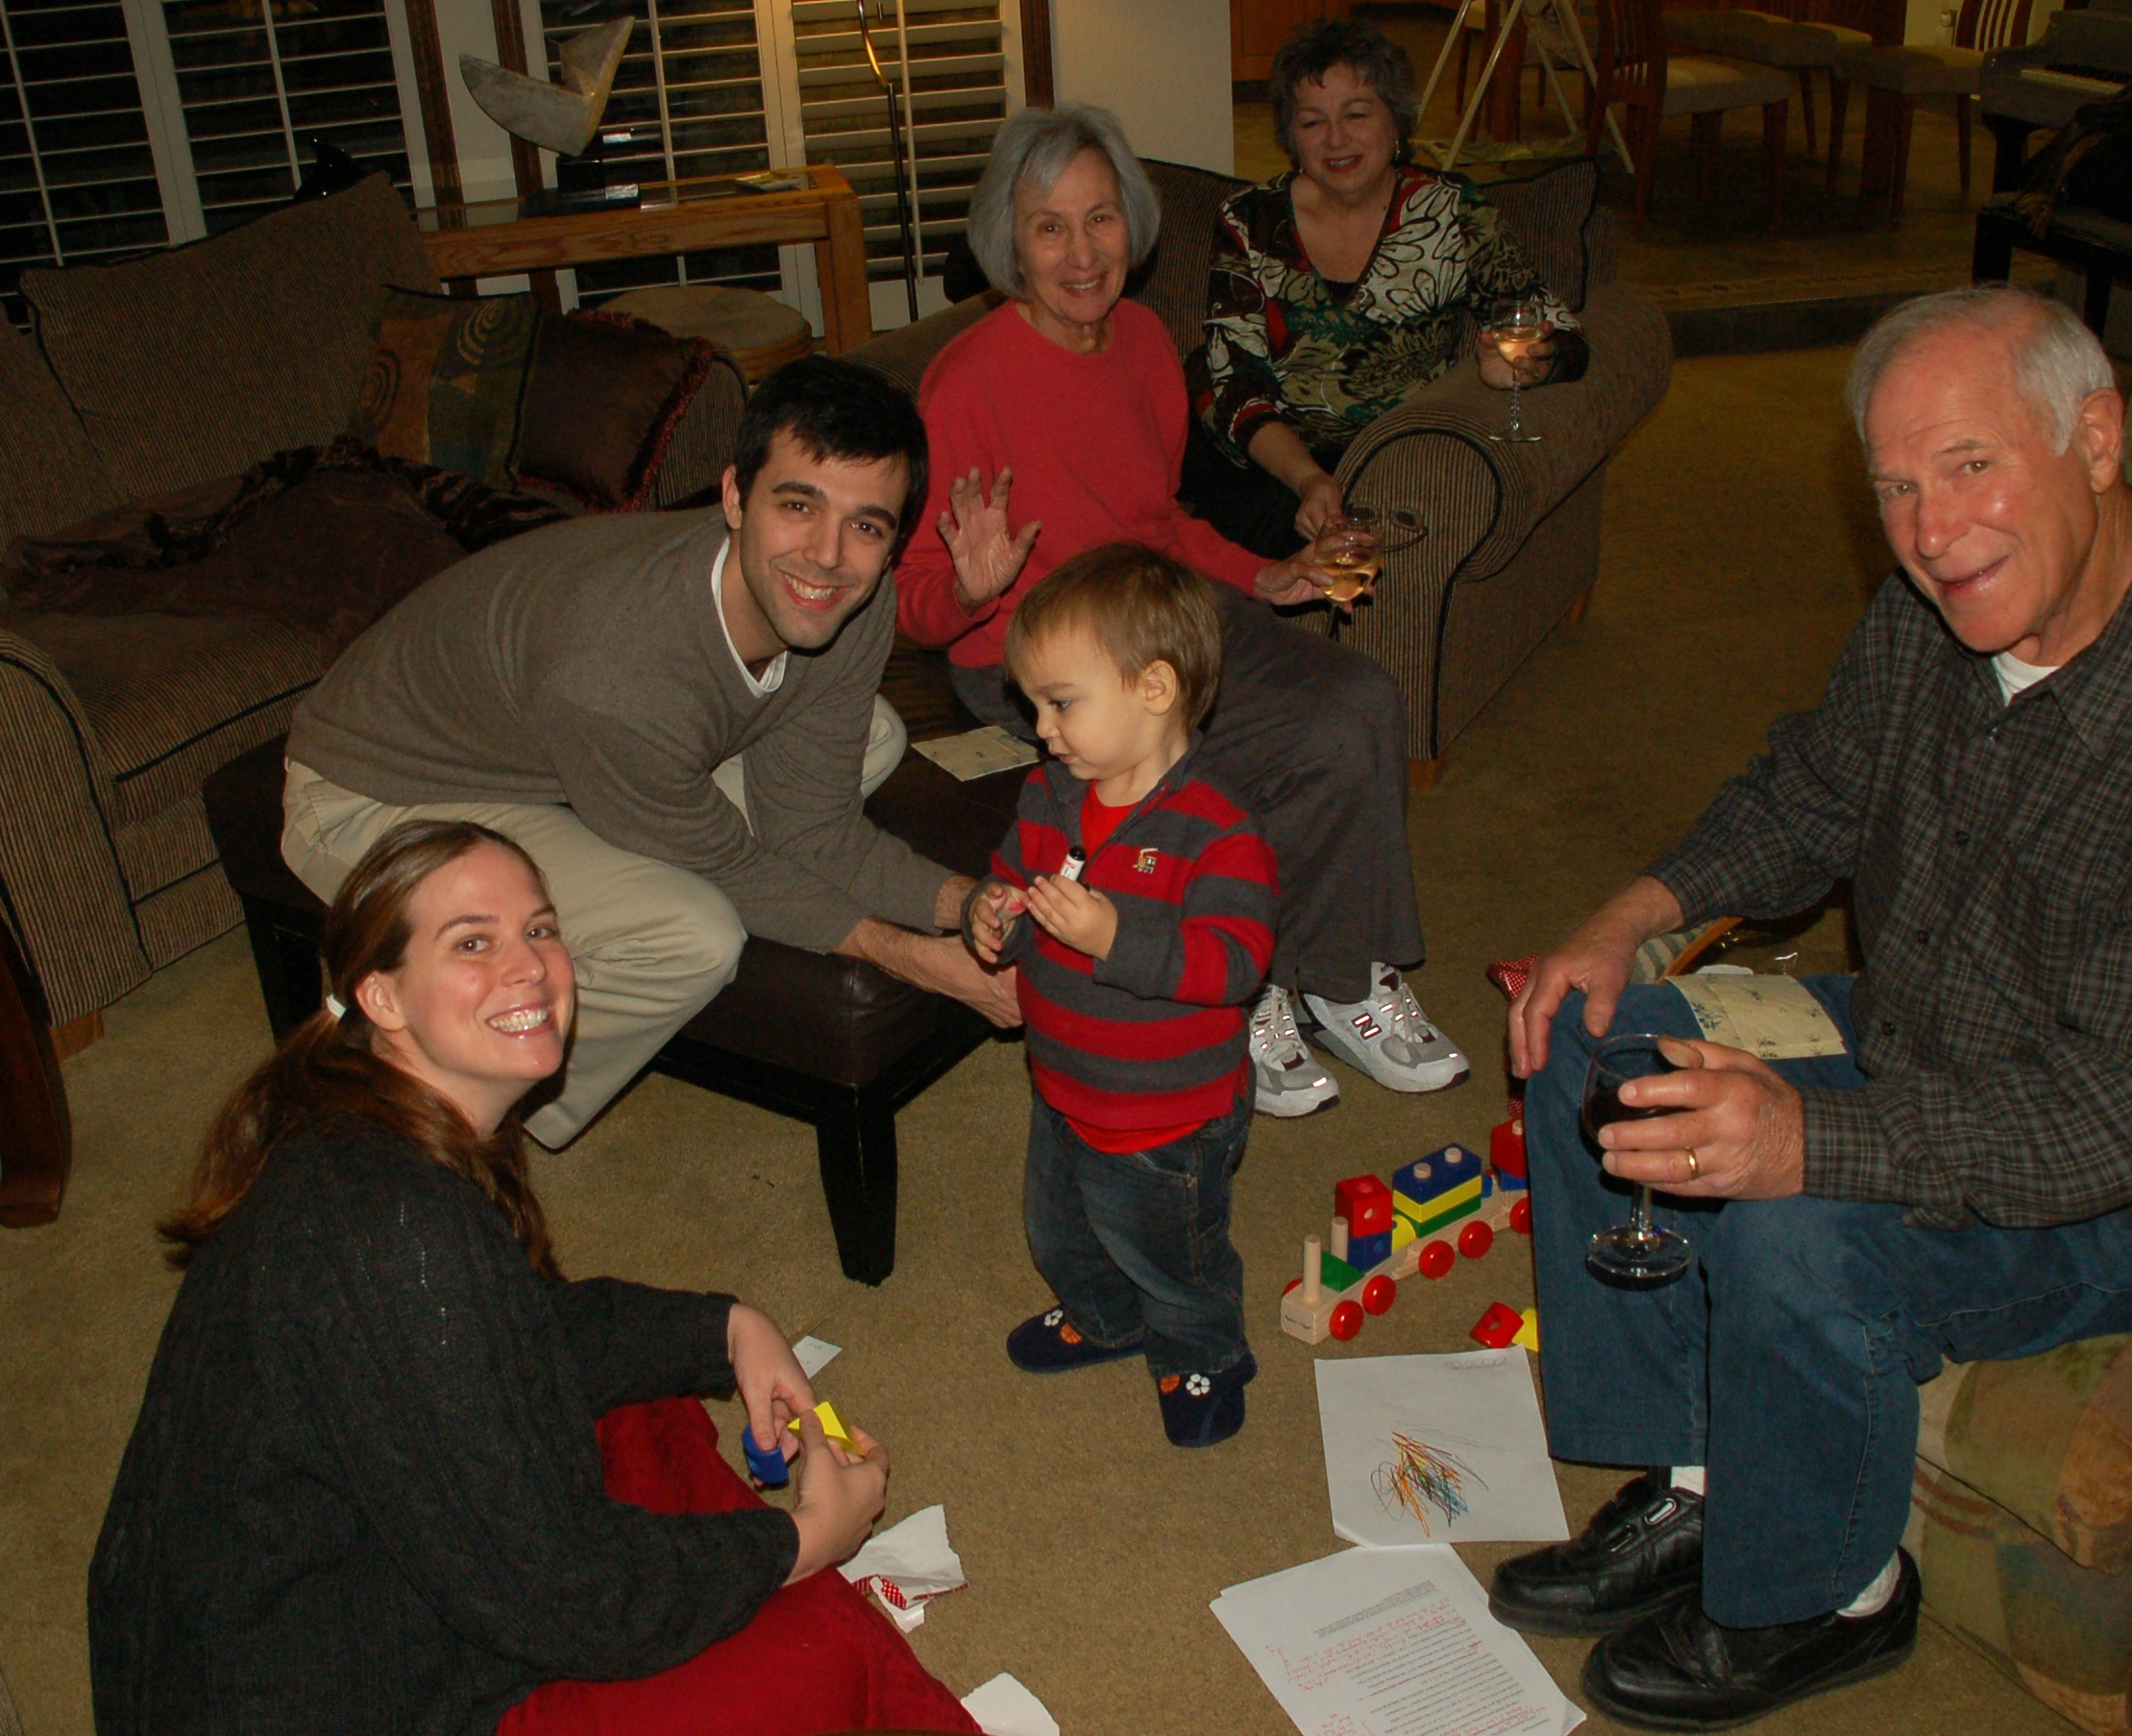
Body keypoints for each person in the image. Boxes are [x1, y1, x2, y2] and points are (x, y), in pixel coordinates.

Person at [1487, 286, 2132, 1729]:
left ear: (2095, 440)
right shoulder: (1932, 614)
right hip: (1942, 1020)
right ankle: (1702, 1477)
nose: (1930, 529)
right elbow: (1817, 788)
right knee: (1596, 1044)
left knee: (1792, 1215)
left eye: (1969, 465)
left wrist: (1812, 1143)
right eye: (1896, 486)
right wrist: (1629, 916)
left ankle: (1827, 1593)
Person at [89, 819, 976, 1735]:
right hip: (324, 1689)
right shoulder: (399, 1228)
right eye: (473, 943)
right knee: (820, 1660)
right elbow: (565, 1597)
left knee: (646, 1405)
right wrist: (802, 1539)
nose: (529, 966)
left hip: (294, 1617)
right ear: (382, 996)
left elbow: (509, 1329)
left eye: (540, 929)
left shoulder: (361, 1126)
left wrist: (723, 1328)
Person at [282, 356, 1017, 1152]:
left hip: (557, 750)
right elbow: (738, 869)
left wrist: (969, 902)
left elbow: (813, 830)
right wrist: (921, 959)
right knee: (691, 933)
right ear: (735, 497)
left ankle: (643, 820)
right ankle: (474, 1109)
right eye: (798, 505)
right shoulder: (614, 674)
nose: (827, 555)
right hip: (374, 790)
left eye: (866, 525)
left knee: (874, 733)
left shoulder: (853, 606)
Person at [900, 100, 1465, 1122]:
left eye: (1100, 218)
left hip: (1156, 609)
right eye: (1050, 227)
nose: (1082, 253)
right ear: (1009, 245)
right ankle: (1242, 985)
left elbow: (1158, 521)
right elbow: (916, 605)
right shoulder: (966, 383)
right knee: (1235, 755)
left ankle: (1339, 977)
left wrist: (1264, 575)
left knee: (1360, 699)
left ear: (1134, 223)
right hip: (1039, 657)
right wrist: (973, 587)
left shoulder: (1146, 341)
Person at [966, 545, 1276, 1446]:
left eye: (1060, 703)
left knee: (1172, 1256)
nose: (1041, 728)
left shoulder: (1217, 830)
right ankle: (1104, 1319)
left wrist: (1114, 937)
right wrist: (995, 916)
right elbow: (1013, 876)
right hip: (1063, 1084)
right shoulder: (1048, 794)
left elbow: (1235, 964)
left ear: (1154, 689)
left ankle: (1204, 1352)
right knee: (1060, 1230)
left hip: (1168, 1114)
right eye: (1033, 705)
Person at [1179, 17, 1587, 558]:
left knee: (1338, 547)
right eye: (1312, 121)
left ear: (1396, 120)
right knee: (1275, 550)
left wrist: (1532, 362)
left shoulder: (1450, 212)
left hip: (1386, 458)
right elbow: (1233, 380)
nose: (1336, 139)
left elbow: (1559, 329)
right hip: (1259, 456)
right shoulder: (1249, 220)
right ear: (1290, 136)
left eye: (1357, 114)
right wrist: (1307, 478)